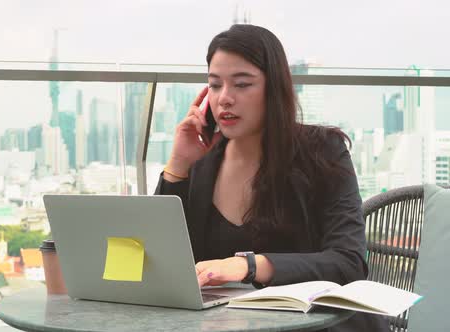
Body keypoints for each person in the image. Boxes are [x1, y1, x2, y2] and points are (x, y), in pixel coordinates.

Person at [154, 24, 389, 331]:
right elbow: (161, 262)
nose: (224, 98)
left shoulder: (323, 151)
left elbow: (348, 263)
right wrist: (178, 165)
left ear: (273, 87)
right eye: (214, 85)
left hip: (321, 326)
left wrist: (248, 266)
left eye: (242, 84)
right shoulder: (201, 164)